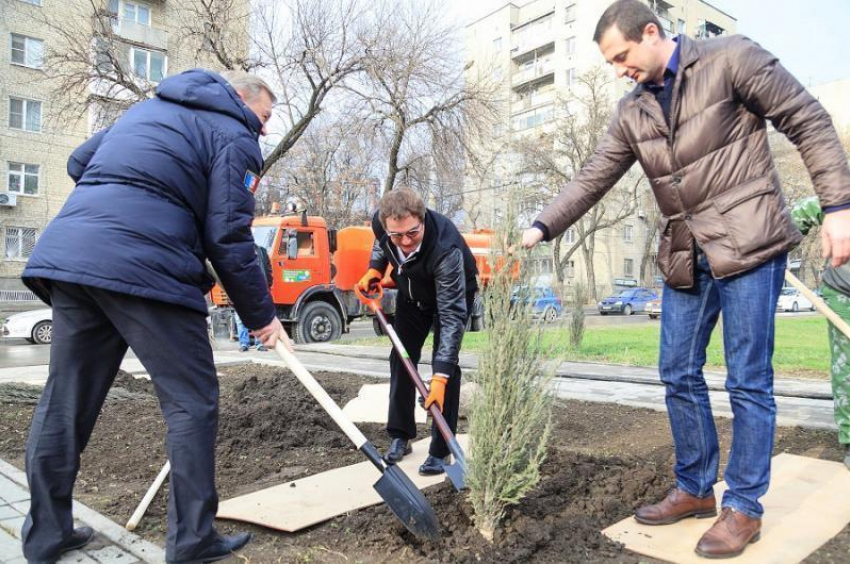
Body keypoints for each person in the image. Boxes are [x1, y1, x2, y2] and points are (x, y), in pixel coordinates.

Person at [520, 0, 850, 558]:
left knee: (748, 380)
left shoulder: (730, 59)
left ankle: (743, 506)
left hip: (747, 241)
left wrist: (839, 205)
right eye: (611, 64)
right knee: (676, 371)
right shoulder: (632, 111)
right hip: (684, 252)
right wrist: (541, 224)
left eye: (623, 56)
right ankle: (696, 487)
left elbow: (806, 117)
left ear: (652, 32)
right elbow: (594, 174)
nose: (620, 69)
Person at [20, 69, 292, 564]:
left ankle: (45, 535)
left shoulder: (144, 112)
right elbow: (229, 236)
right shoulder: (235, 134)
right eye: (266, 116)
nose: (266, 129)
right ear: (240, 101)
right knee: (192, 402)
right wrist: (262, 317)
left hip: (73, 257)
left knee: (65, 400)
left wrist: (132, 192)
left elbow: (78, 160)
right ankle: (191, 540)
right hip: (149, 268)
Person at [357, 188, 478, 475]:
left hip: (451, 297)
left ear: (422, 220)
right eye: (397, 236)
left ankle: (440, 451)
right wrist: (375, 268)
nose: (406, 242)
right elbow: (381, 243)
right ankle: (401, 434)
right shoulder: (382, 226)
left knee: (446, 370)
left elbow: (451, 316)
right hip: (412, 296)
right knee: (401, 357)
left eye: (413, 233)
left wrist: (440, 376)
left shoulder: (444, 248)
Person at [791, 197, 850, 471]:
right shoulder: (844, 193)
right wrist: (774, 247)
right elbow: (801, 214)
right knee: (847, 370)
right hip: (844, 295)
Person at [237, 244, 274, 352]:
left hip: (258, 287)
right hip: (242, 288)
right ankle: (244, 343)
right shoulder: (238, 250)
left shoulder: (261, 251)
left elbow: (267, 268)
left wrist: (268, 284)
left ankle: (259, 343)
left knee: (258, 316)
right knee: (240, 318)